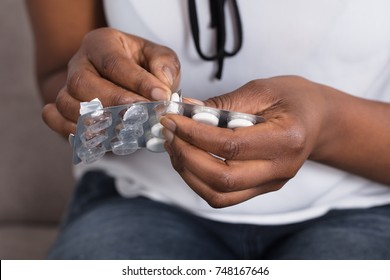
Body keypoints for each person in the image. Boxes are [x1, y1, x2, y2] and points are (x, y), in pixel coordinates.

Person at [25, 0, 390, 259]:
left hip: (360, 205)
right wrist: (94, 97)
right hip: (140, 198)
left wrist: (327, 124)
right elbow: (59, 79)